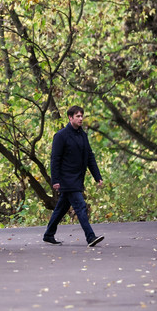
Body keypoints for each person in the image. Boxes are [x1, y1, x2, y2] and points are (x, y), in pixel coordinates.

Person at [43, 105, 105, 247]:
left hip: (77, 178)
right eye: (77, 116)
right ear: (70, 118)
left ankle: (48, 234)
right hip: (66, 179)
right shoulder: (61, 136)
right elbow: (55, 159)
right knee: (80, 206)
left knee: (61, 208)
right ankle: (90, 237)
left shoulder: (82, 135)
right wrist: (55, 180)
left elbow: (89, 157)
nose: (81, 118)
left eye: (82, 116)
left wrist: (97, 176)